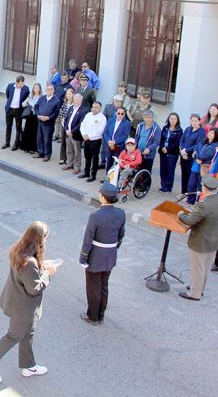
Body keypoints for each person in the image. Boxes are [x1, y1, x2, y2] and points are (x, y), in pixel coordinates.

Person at [0, 221, 55, 385]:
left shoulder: (18, 250)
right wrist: (48, 273)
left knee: (28, 334)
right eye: (45, 237)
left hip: (19, 304)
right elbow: (34, 288)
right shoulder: (29, 261)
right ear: (39, 239)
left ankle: (29, 366)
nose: (46, 241)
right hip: (23, 308)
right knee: (13, 337)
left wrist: (41, 269)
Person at [79, 183, 125, 324]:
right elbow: (121, 235)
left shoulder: (96, 216)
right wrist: (113, 248)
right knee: (104, 285)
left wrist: (83, 258)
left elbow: (88, 239)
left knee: (93, 287)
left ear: (103, 197)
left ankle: (92, 316)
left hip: (96, 256)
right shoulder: (120, 213)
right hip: (110, 255)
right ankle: (101, 314)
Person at [178, 175, 218, 301]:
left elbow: (190, 220)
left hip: (200, 241)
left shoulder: (203, 205)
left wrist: (181, 214)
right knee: (205, 269)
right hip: (213, 240)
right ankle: (200, 289)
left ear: (205, 188)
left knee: (197, 268)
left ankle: (194, 293)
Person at [187, 127, 218, 205]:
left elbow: (208, 155)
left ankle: (200, 203)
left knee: (201, 186)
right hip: (196, 165)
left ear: (216, 135)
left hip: (204, 168)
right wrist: (197, 156)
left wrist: (199, 157)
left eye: (212, 133)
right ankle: (190, 200)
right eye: (210, 132)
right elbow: (196, 148)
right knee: (191, 184)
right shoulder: (203, 141)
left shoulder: (215, 146)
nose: (209, 134)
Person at [78, 101, 107, 182]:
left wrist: (89, 136)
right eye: (93, 107)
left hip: (95, 141)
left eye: (96, 107)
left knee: (95, 158)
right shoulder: (88, 115)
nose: (94, 109)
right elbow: (82, 125)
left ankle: (93, 175)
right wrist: (83, 134)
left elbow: (100, 131)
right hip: (86, 139)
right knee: (87, 157)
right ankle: (86, 172)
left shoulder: (102, 118)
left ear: (100, 108)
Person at [179, 114, 206, 198]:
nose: (193, 122)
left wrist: (186, 151)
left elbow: (197, 145)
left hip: (191, 157)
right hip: (183, 155)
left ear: (199, 121)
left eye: (195, 121)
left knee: (191, 177)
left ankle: (189, 195)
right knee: (184, 174)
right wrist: (182, 151)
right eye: (192, 121)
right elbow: (181, 140)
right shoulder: (187, 129)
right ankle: (183, 192)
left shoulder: (201, 132)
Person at [33, 84, 61, 162]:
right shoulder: (42, 98)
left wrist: (48, 118)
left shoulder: (56, 100)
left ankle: (47, 155)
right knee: (39, 138)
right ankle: (40, 152)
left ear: (53, 90)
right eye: (48, 89)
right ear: (46, 90)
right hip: (40, 121)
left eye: (51, 89)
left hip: (49, 123)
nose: (49, 91)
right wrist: (38, 114)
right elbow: (36, 107)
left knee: (47, 139)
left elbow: (56, 113)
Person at [3, 76, 30, 151]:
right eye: (21, 84)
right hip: (9, 109)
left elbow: (26, 97)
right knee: (8, 126)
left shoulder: (26, 89)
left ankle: (16, 144)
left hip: (18, 110)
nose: (22, 85)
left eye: (23, 83)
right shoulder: (10, 86)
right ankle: (7, 142)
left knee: (18, 128)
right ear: (16, 82)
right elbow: (8, 95)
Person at [63, 93, 88, 174]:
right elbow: (66, 120)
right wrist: (66, 129)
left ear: (81, 100)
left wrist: (72, 131)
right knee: (69, 149)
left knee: (77, 151)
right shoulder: (71, 108)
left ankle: (77, 166)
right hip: (68, 133)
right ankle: (70, 163)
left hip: (76, 134)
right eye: (75, 99)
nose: (76, 101)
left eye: (78, 100)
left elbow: (81, 123)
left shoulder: (83, 110)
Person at [158, 113, 183, 193]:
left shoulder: (179, 130)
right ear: (168, 119)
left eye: (174, 119)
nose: (172, 120)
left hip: (172, 153)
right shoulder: (165, 128)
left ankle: (168, 187)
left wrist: (167, 149)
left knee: (170, 170)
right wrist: (162, 147)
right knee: (163, 169)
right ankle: (163, 185)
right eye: (171, 118)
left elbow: (177, 143)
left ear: (177, 120)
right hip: (163, 152)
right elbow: (161, 139)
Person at [102, 106, 131, 173]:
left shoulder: (127, 123)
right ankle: (108, 178)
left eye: (122, 113)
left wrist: (114, 142)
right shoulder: (110, 120)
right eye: (118, 113)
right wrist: (109, 141)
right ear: (115, 113)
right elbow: (105, 132)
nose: (120, 115)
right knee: (109, 162)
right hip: (109, 145)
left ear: (124, 114)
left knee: (118, 164)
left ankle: (116, 179)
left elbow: (125, 136)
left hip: (119, 147)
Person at [21, 83, 43, 154]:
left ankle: (33, 149)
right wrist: (27, 102)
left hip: (36, 116)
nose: (36, 89)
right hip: (29, 115)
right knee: (27, 131)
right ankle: (26, 147)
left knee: (34, 132)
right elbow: (23, 104)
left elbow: (36, 106)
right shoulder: (31, 96)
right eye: (34, 88)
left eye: (37, 88)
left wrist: (30, 102)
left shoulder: (41, 97)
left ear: (39, 89)